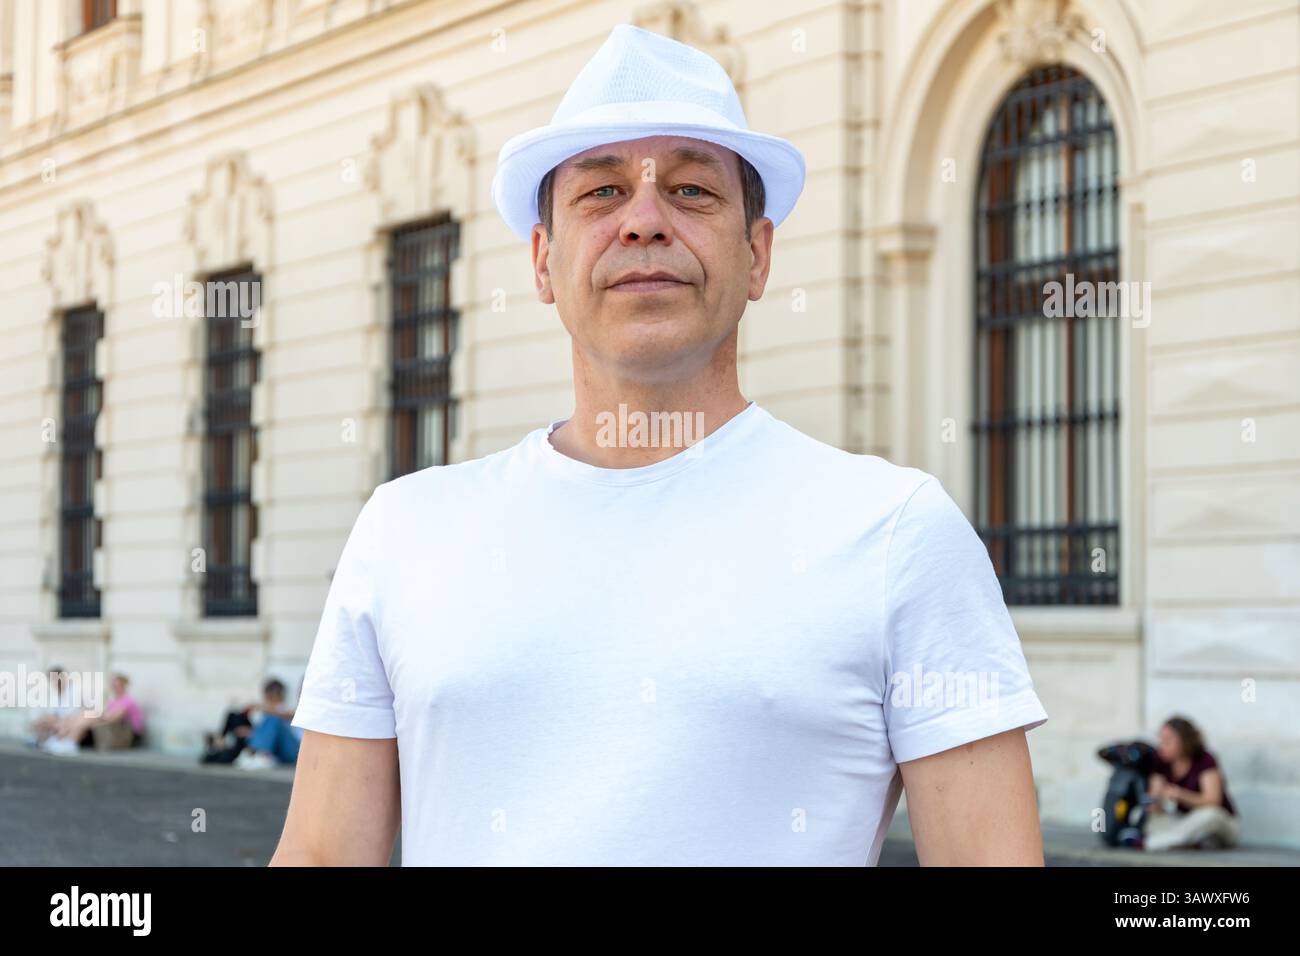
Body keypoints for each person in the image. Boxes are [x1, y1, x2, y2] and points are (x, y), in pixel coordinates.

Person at [272, 24, 1049, 867]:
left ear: (757, 255)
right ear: (542, 261)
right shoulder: (405, 531)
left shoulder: (897, 533)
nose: (644, 221)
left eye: (690, 191)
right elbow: (320, 855)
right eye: (602, 193)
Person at [1141, 716, 1240, 852]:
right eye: (1161, 740)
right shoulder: (1161, 761)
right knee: (1148, 819)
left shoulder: (1204, 759)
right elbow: (1154, 802)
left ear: (1184, 741)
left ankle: (1164, 841)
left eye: (1168, 741)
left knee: (1210, 815)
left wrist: (1180, 795)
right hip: (1184, 820)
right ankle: (1193, 840)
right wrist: (1155, 802)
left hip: (1217, 820)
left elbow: (1213, 801)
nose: (1162, 745)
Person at [42, 672, 144, 755]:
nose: (115, 688)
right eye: (114, 685)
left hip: (127, 732)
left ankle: (70, 743)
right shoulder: (114, 701)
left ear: (124, 686)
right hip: (113, 724)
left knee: (86, 717)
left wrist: (97, 716)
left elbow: (114, 718)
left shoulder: (128, 700)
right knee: (82, 716)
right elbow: (107, 714)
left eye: (118, 685)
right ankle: (63, 740)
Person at [232, 679, 301, 770]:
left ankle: (260, 755)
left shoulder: (286, 711)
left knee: (274, 718)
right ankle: (255, 755)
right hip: (281, 752)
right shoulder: (269, 713)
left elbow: (288, 715)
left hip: (296, 752)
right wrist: (251, 732)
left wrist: (259, 707)